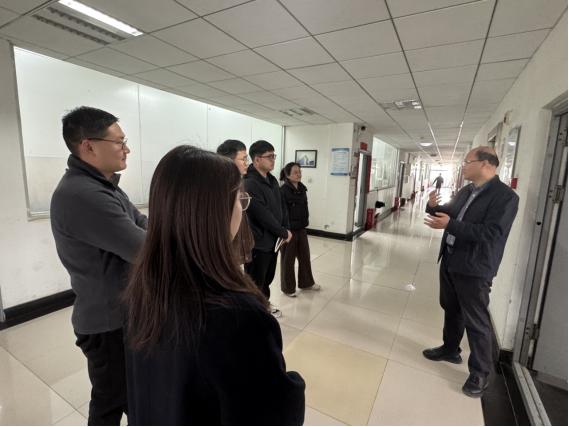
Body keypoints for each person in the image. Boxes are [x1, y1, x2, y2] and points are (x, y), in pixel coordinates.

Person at [122, 145, 306, 426]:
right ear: (215, 212)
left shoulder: (142, 289)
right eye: (239, 200)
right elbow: (275, 413)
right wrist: (294, 383)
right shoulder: (236, 315)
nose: (241, 208)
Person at [51, 107, 147, 426]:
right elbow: (143, 248)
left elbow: (142, 222)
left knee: (128, 394)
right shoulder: (83, 194)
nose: (126, 149)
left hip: (118, 314)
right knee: (110, 401)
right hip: (108, 322)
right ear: (88, 146)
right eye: (119, 142)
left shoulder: (105, 186)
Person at [423, 147, 519, 399]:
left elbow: (493, 232)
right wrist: (432, 206)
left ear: (485, 164)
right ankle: (450, 349)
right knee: (451, 307)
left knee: (476, 320)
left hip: (475, 265)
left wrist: (451, 225)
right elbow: (450, 214)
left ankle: (480, 373)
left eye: (467, 162)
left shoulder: (505, 196)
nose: (463, 166)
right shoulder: (467, 191)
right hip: (451, 257)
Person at [244, 141, 292, 318]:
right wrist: (282, 232)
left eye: (273, 156)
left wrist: (285, 229)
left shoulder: (271, 180)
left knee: (267, 278)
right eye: (269, 156)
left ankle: (263, 306)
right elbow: (261, 214)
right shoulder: (250, 183)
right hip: (258, 241)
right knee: (255, 280)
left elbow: (282, 206)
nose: (273, 160)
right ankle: (254, 313)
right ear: (257, 160)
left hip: (273, 240)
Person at [279, 163, 320, 297]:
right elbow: (281, 213)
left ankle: (306, 283)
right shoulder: (283, 191)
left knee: (304, 257)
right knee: (288, 260)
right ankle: (288, 288)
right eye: (295, 172)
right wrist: (284, 231)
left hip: (301, 229)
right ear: (287, 175)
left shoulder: (302, 189)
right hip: (289, 230)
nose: (299, 174)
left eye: (300, 171)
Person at [217, 140, 254, 265]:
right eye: (244, 159)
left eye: (247, 158)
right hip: (226, 247)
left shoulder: (238, 181)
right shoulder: (220, 186)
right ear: (229, 160)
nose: (247, 163)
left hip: (238, 243)